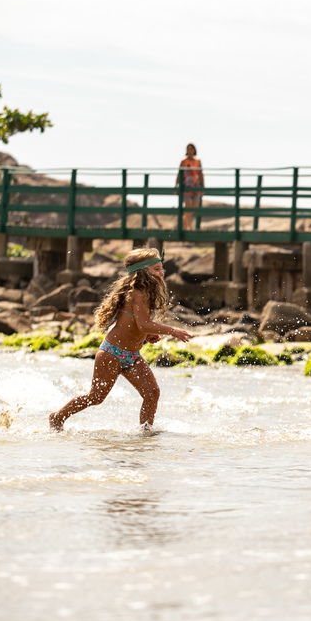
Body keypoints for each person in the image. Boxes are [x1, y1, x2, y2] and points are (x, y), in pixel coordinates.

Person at [49, 248, 193, 431]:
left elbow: (137, 324)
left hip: (132, 355)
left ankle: (145, 433)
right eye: (156, 269)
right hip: (111, 353)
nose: (161, 273)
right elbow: (142, 324)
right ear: (143, 272)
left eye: (161, 268)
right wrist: (172, 330)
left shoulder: (146, 293)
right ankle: (57, 417)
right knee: (96, 397)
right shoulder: (138, 293)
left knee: (152, 393)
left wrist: (148, 335)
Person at [177, 143, 205, 230]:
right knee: (188, 206)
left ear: (194, 150)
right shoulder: (183, 161)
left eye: (191, 149)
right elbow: (179, 174)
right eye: (188, 149)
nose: (190, 151)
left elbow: (200, 174)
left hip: (196, 186)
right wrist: (176, 185)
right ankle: (187, 226)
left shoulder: (198, 161)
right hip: (187, 187)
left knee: (195, 206)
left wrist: (203, 186)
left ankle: (185, 220)